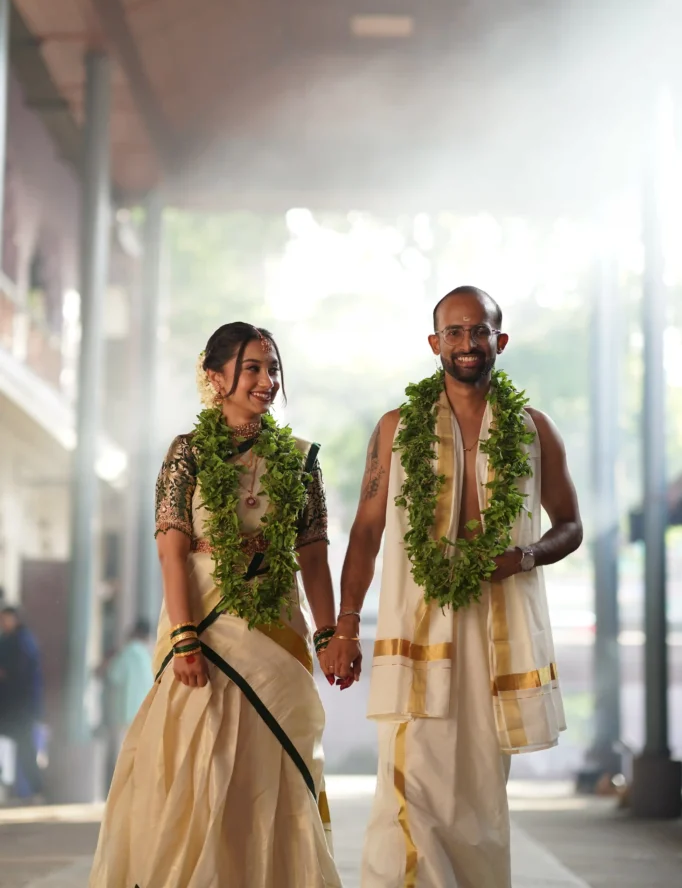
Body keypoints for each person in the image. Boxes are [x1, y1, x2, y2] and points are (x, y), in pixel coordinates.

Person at [324, 286, 583, 888]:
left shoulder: (532, 429)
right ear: (435, 343)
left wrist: (523, 556)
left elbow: (569, 527)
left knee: (479, 799)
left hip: (498, 636)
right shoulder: (397, 428)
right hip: (417, 632)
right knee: (409, 789)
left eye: (481, 331)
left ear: (501, 340)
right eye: (457, 332)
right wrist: (345, 625)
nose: (469, 344)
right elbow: (365, 532)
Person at [90, 322, 342, 888]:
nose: (266, 380)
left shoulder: (301, 459)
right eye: (252, 367)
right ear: (215, 377)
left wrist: (329, 635)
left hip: (276, 631)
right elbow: (172, 553)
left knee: (271, 766)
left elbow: (315, 558)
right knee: (193, 763)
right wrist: (185, 637)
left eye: (272, 368)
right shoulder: (187, 454)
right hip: (201, 626)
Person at [99, 618, 153, 781]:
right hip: (143, 713)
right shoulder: (148, 654)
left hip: (125, 713)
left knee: (121, 757)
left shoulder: (128, 652)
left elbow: (114, 676)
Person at [0, 606, 44, 801]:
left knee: (26, 748)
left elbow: (19, 673)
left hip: (19, 706)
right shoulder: (17, 640)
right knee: (25, 747)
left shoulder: (21, 642)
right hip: (16, 706)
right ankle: (33, 790)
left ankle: (35, 790)